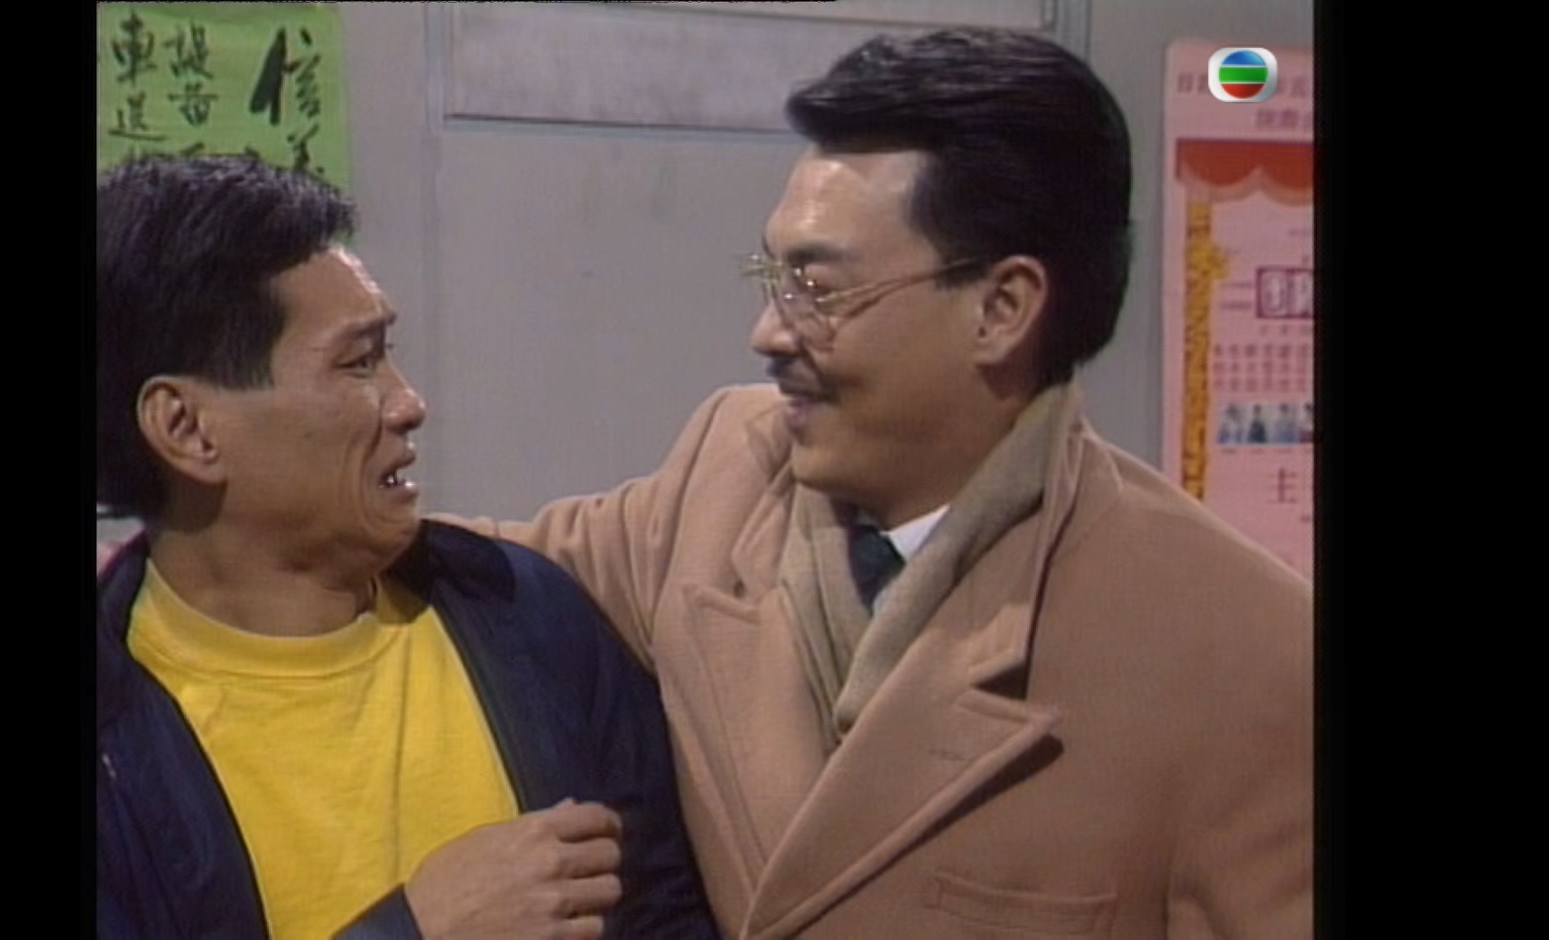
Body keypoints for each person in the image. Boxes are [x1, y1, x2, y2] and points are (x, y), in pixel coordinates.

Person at [453, 29, 1313, 939]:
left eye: (818, 290)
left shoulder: (1245, 654)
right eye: (773, 277)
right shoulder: (726, 471)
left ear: (1002, 309)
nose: (767, 333)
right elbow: (474, 576)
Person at [95, 155, 716, 939]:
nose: (408, 403)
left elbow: (663, 914)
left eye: (388, 353)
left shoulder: (526, 612)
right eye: (357, 363)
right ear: (187, 429)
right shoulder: (114, 740)